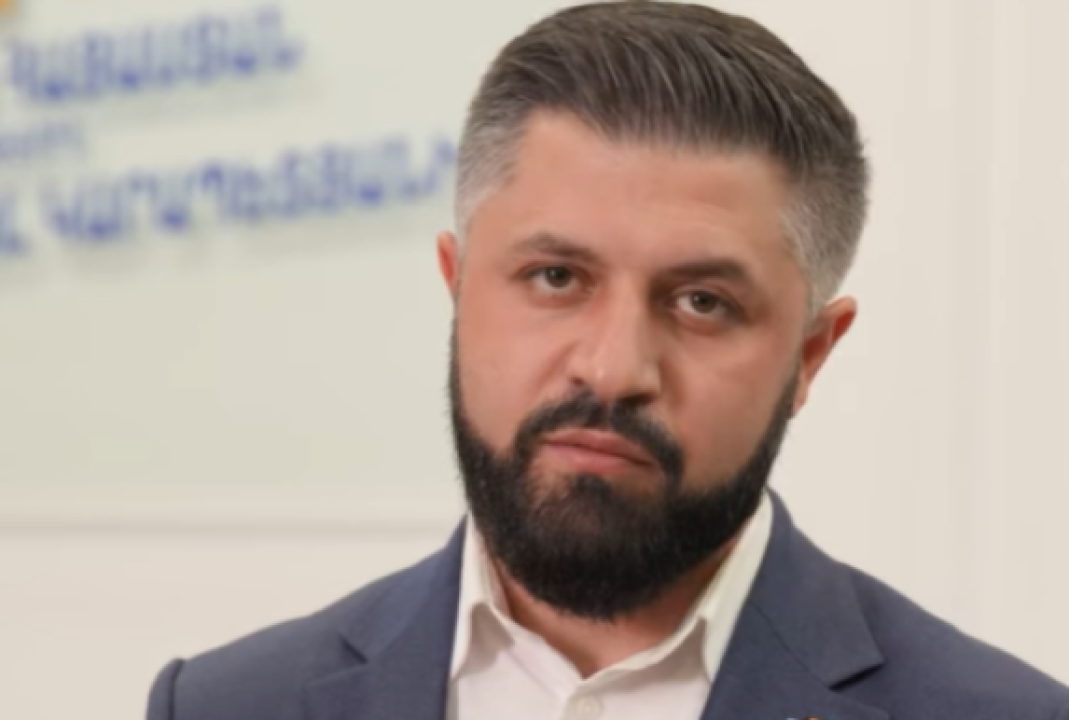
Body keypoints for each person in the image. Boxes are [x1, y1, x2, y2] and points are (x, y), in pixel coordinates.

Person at [146, 3, 1069, 719]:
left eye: (702, 302)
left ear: (809, 355)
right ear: (457, 288)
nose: (613, 368)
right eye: (555, 278)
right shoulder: (227, 706)